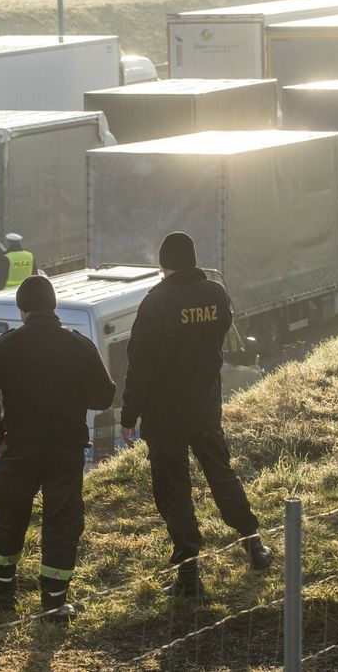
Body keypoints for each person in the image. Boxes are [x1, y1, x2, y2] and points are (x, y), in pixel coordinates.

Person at [119, 231, 272, 599]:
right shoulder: (216, 295)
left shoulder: (155, 303)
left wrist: (129, 415)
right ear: (193, 260)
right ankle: (254, 545)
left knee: (174, 493)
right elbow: (219, 335)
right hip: (205, 408)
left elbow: (140, 366)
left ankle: (189, 576)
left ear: (164, 265)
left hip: (165, 418)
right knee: (222, 476)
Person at [0, 275, 116, 620]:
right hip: (66, 451)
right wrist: (74, 396)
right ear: (53, 306)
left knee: (10, 515)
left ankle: (0, 588)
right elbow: (104, 395)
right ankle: (55, 601)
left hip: (19, 449)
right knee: (62, 521)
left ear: (23, 310)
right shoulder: (79, 345)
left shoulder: (5, 346)